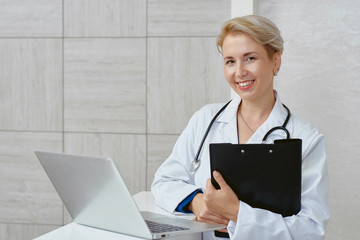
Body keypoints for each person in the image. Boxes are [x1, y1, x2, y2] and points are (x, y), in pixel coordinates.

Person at [151, 15, 329, 240]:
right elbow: (164, 181)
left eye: (250, 58)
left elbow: (311, 230)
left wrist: (236, 213)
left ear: (276, 61)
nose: (239, 72)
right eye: (230, 61)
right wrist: (197, 202)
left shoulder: (306, 139)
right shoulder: (205, 119)